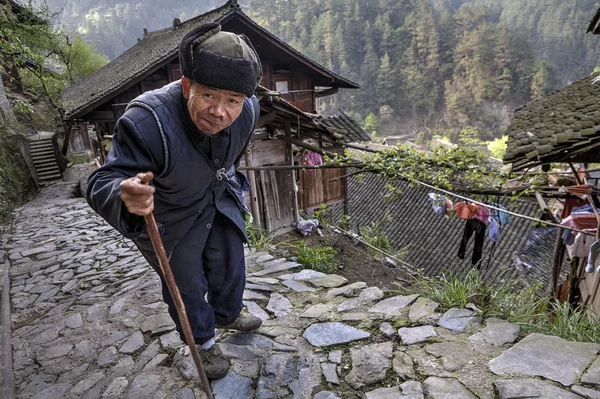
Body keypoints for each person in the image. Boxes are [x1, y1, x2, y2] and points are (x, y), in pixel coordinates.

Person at [87, 22, 263, 380]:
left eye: (233, 100)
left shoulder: (249, 112)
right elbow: (101, 180)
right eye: (210, 95)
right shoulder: (147, 121)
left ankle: (229, 313)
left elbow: (231, 157)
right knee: (186, 284)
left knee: (231, 262)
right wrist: (125, 194)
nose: (220, 112)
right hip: (167, 215)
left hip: (215, 197)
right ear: (187, 87)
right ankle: (203, 343)